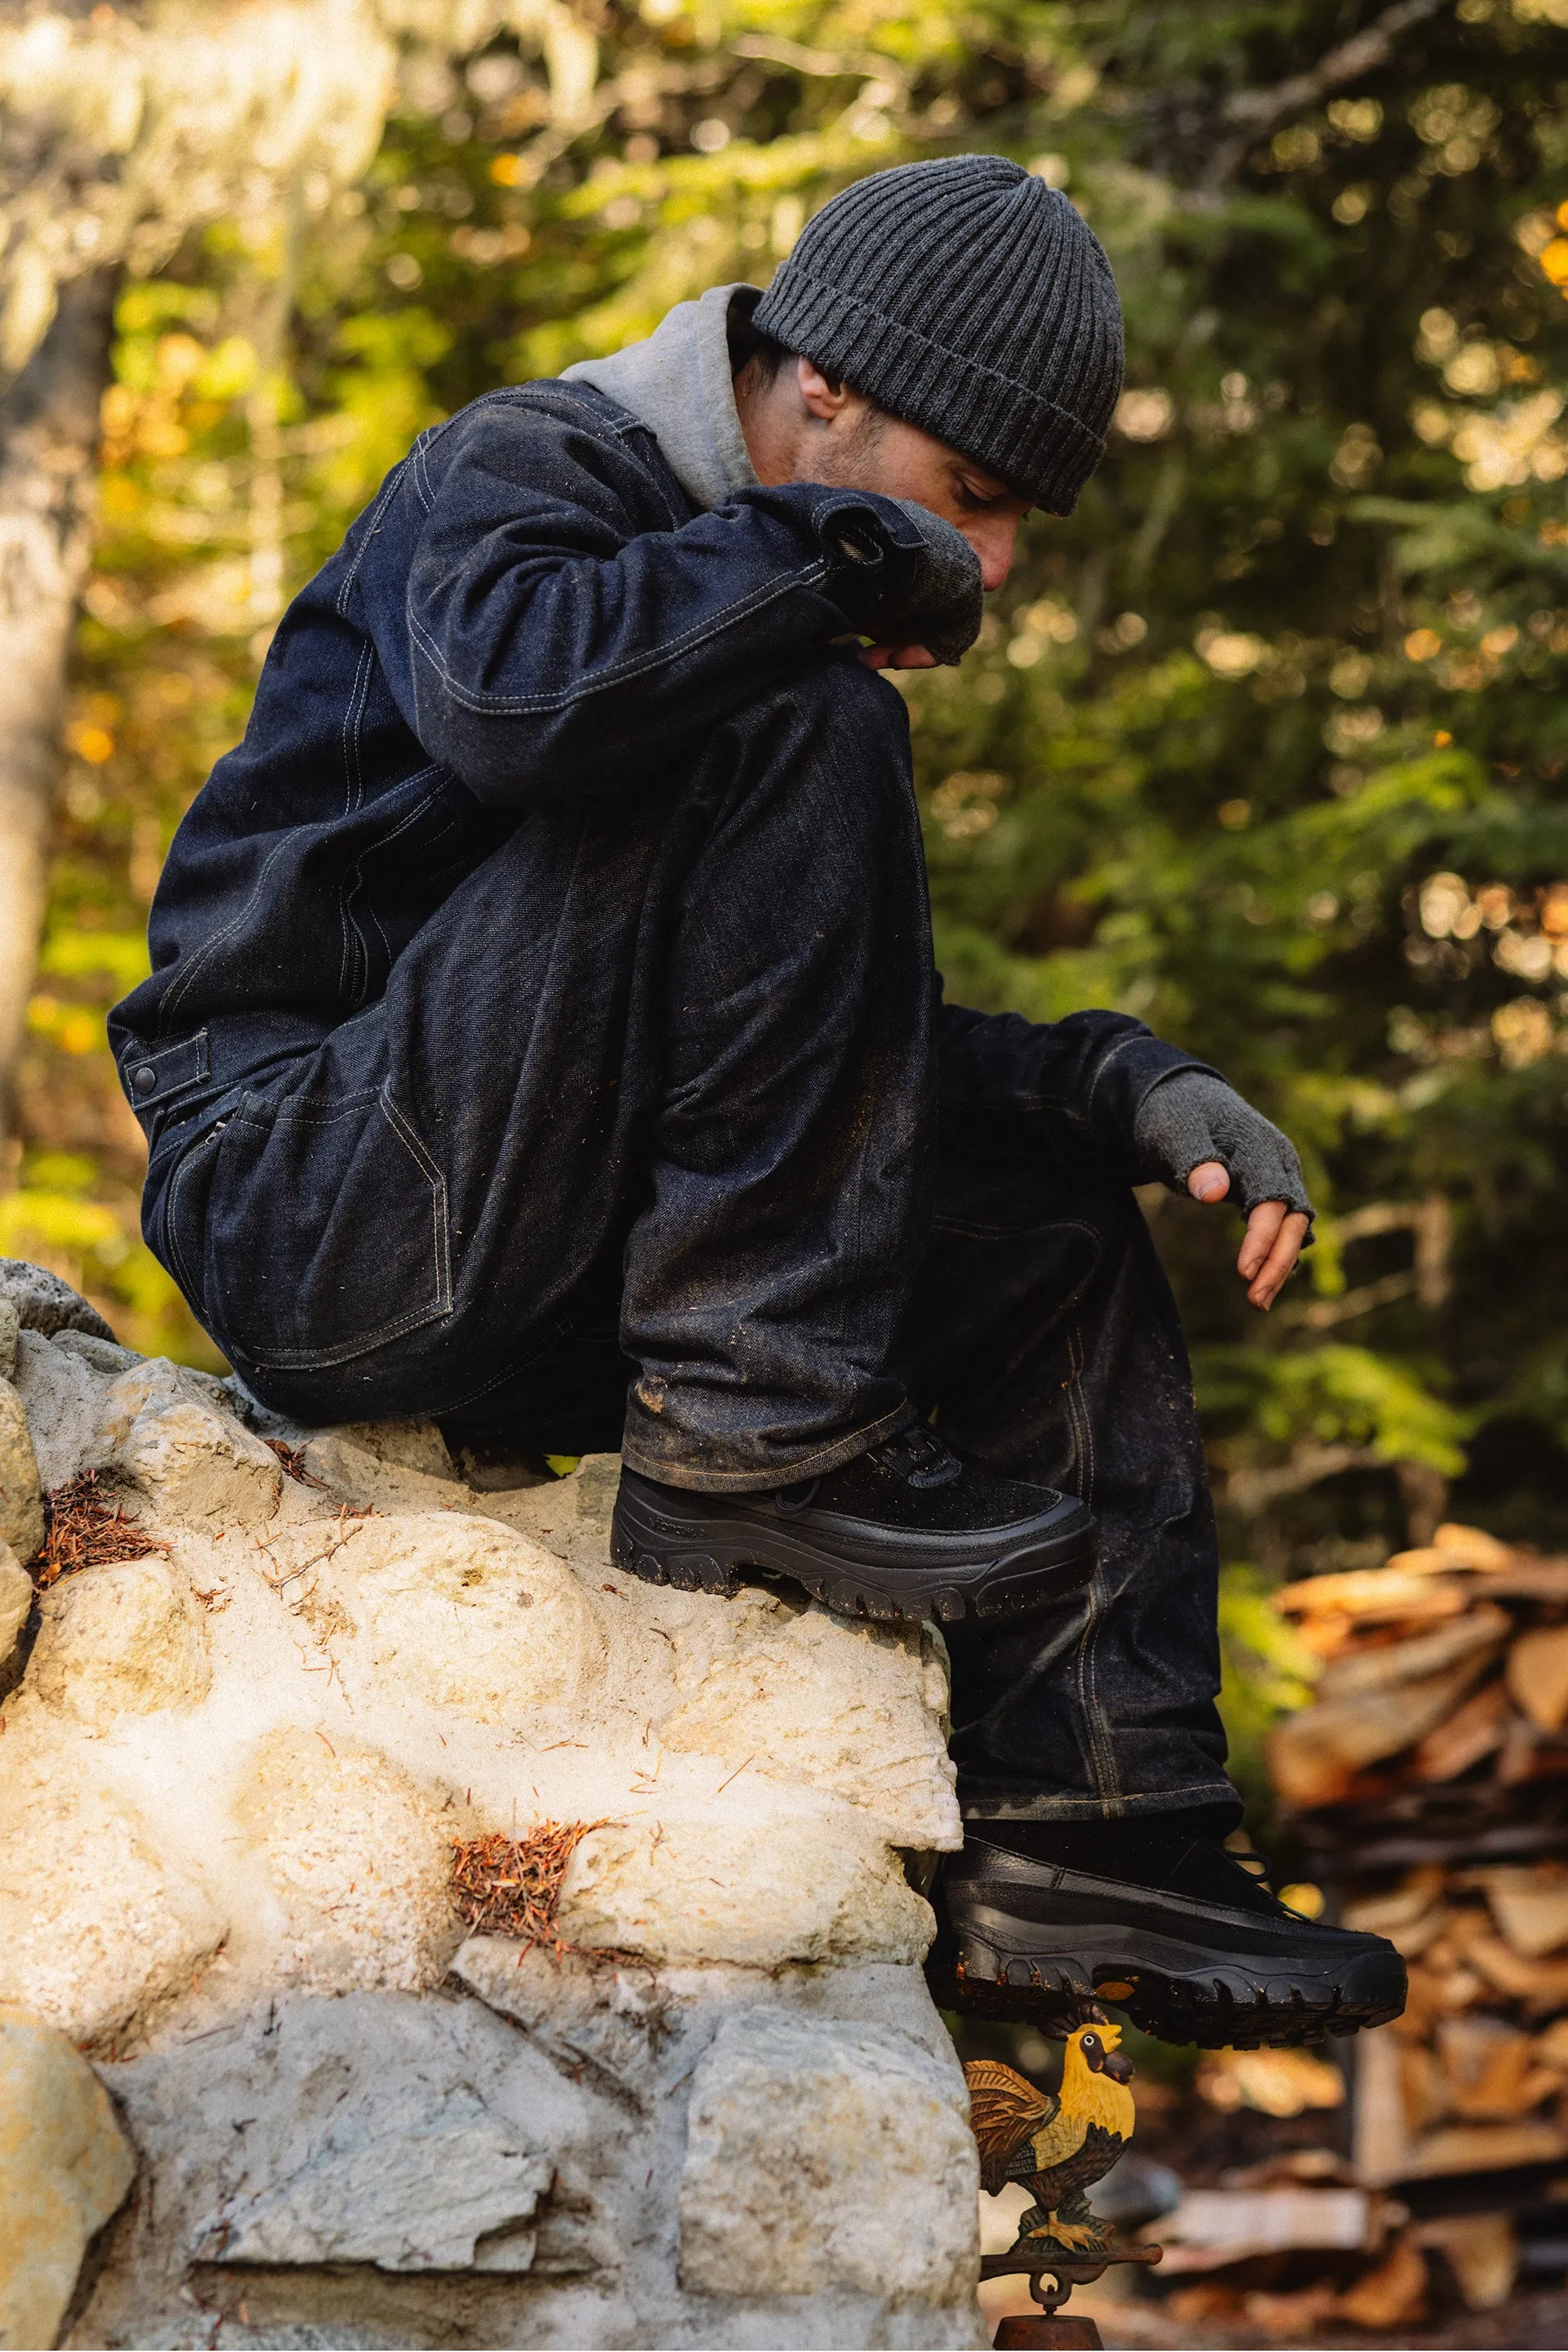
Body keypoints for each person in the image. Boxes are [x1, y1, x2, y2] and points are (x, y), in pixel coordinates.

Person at [110, 154, 1405, 2049]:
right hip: (316, 1200)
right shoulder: (528, 466)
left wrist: (1124, 1082)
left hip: (539, 1231)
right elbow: (504, 697)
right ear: (824, 392)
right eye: (971, 502)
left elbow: (801, 1061)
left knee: (1045, 1237)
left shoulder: (761, 639)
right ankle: (761, 1437)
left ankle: (1102, 1827)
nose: (997, 569)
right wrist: (819, 569)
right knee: (805, 712)